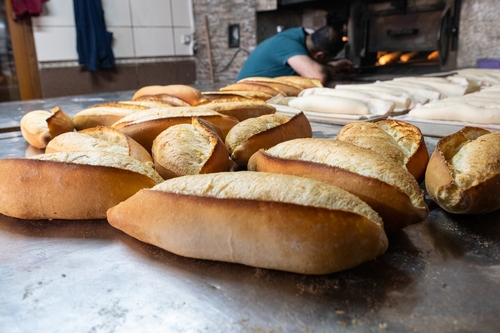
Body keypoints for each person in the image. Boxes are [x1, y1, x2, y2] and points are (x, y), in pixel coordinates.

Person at [236, 25, 353, 84]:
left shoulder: (301, 36)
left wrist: (333, 65)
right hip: (242, 97)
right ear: (320, 56)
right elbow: (317, 76)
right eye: (325, 60)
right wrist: (332, 68)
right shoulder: (287, 43)